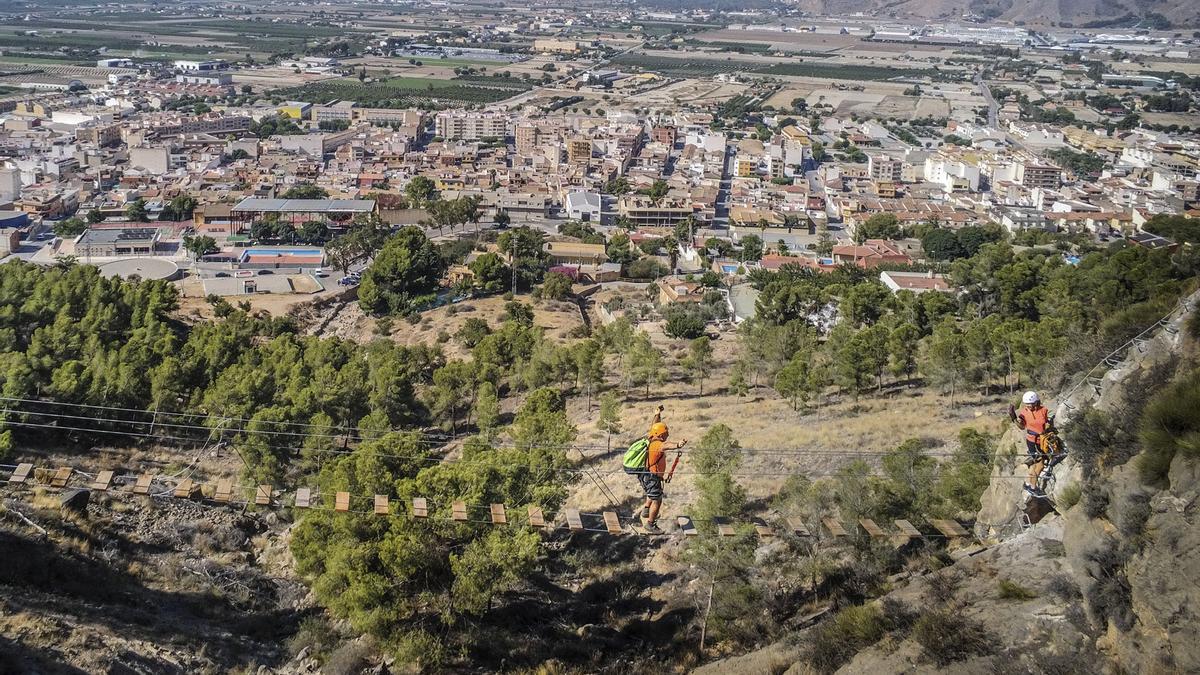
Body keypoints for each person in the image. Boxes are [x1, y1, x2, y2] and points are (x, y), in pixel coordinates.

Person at [638, 406, 683, 533]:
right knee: (657, 499)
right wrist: (677, 445)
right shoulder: (658, 444)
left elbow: (655, 425)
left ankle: (646, 509)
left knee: (652, 493)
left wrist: (657, 414)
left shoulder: (651, 438)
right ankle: (650, 524)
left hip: (646, 475)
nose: (667, 434)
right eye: (666, 432)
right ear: (661, 434)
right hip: (652, 477)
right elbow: (666, 446)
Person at [1009, 391, 1053, 496]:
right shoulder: (1024, 413)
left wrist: (1048, 426)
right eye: (1027, 404)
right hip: (1032, 442)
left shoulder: (1044, 410)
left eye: (1031, 404)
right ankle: (1033, 488)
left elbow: (1047, 422)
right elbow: (1022, 427)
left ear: (1036, 402)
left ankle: (1029, 483)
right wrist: (1014, 419)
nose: (1029, 406)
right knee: (1040, 464)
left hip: (1042, 440)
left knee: (1039, 462)